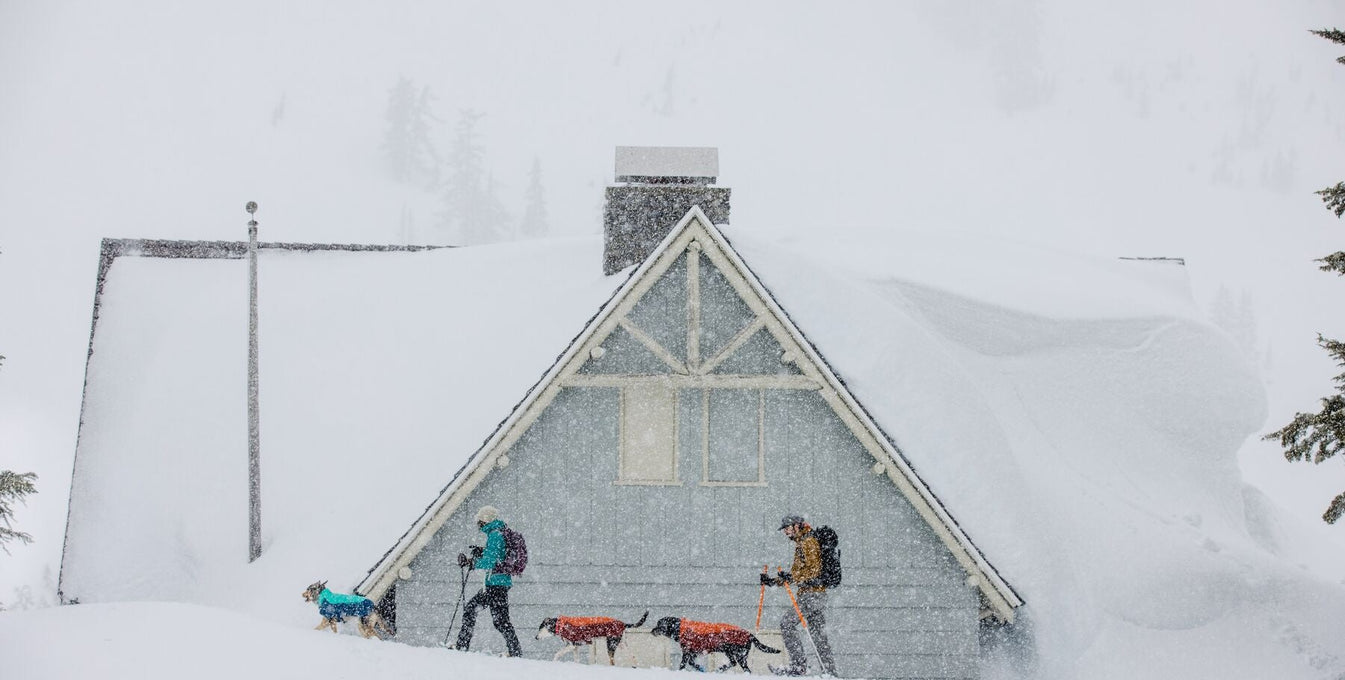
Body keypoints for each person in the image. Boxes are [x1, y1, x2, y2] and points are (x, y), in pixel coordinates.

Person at [761, 514, 837, 677]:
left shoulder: (807, 542)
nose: (786, 533)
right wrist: (772, 581)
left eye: (788, 528)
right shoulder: (804, 542)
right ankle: (829, 672)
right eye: (784, 530)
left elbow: (813, 571)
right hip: (816, 594)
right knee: (818, 635)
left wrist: (791, 578)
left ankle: (798, 665)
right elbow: (798, 574)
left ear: (798, 526)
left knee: (787, 624)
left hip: (811, 595)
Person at [453, 505, 523, 657]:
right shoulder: (499, 533)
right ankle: (515, 651)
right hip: (498, 583)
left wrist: (470, 562)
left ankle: (462, 647)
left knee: (473, 610)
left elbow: (490, 562)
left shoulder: (495, 535)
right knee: (500, 621)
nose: (478, 525)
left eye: (479, 522)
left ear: (485, 521)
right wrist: (481, 551)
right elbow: (496, 556)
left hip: (495, 584)